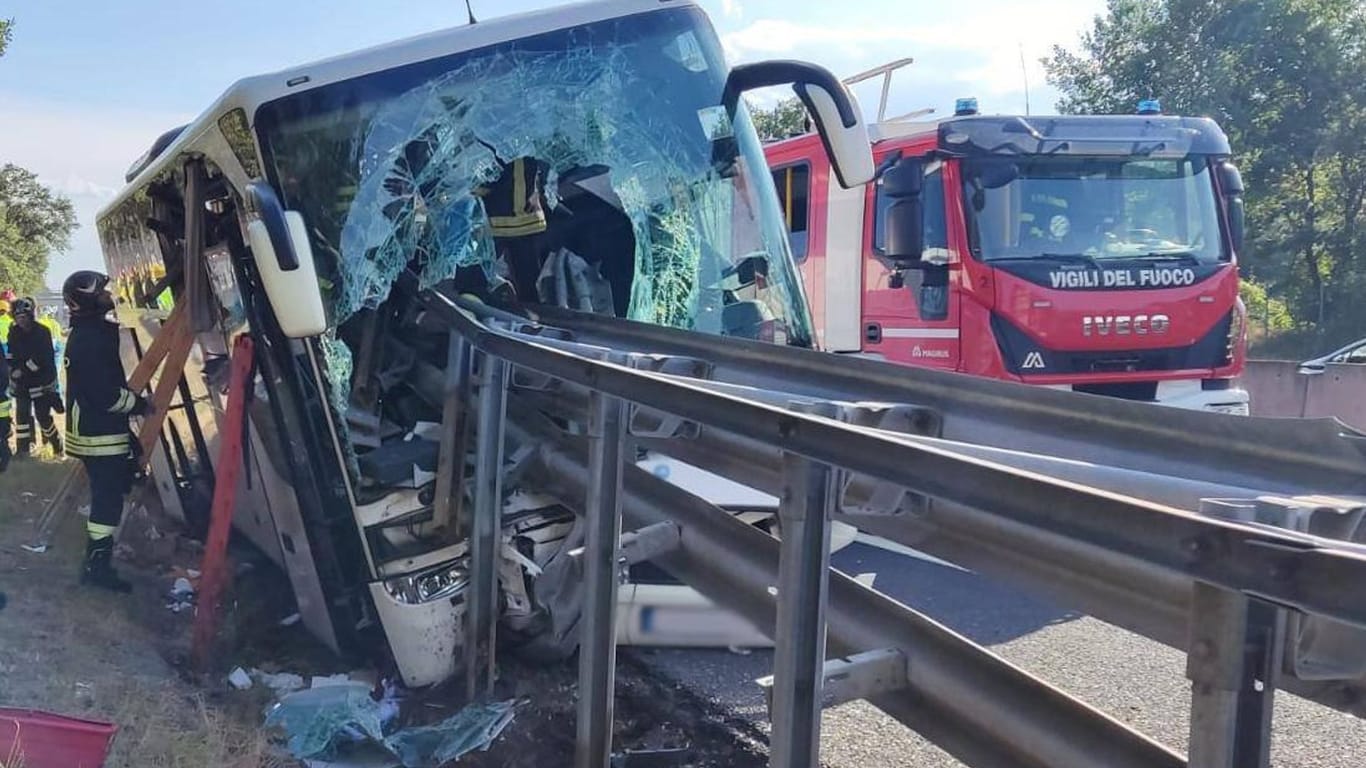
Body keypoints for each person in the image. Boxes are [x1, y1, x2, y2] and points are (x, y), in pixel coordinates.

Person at [63, 271, 152, 593]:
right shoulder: (92, 338)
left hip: (96, 430)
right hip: (98, 434)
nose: (108, 295)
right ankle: (97, 568)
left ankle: (97, 563)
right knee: (107, 501)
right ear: (87, 298)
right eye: (102, 291)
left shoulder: (90, 333)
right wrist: (140, 405)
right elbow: (106, 394)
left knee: (111, 493)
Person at [7, 297, 63, 457]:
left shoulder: (42, 332)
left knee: (42, 416)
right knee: (22, 415)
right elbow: (11, 354)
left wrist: (22, 369)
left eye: (24, 317)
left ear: (31, 315)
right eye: (18, 317)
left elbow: (42, 359)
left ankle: (57, 446)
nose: (21, 320)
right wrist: (12, 369)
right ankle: (24, 449)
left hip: (41, 380)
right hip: (22, 383)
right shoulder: (14, 332)